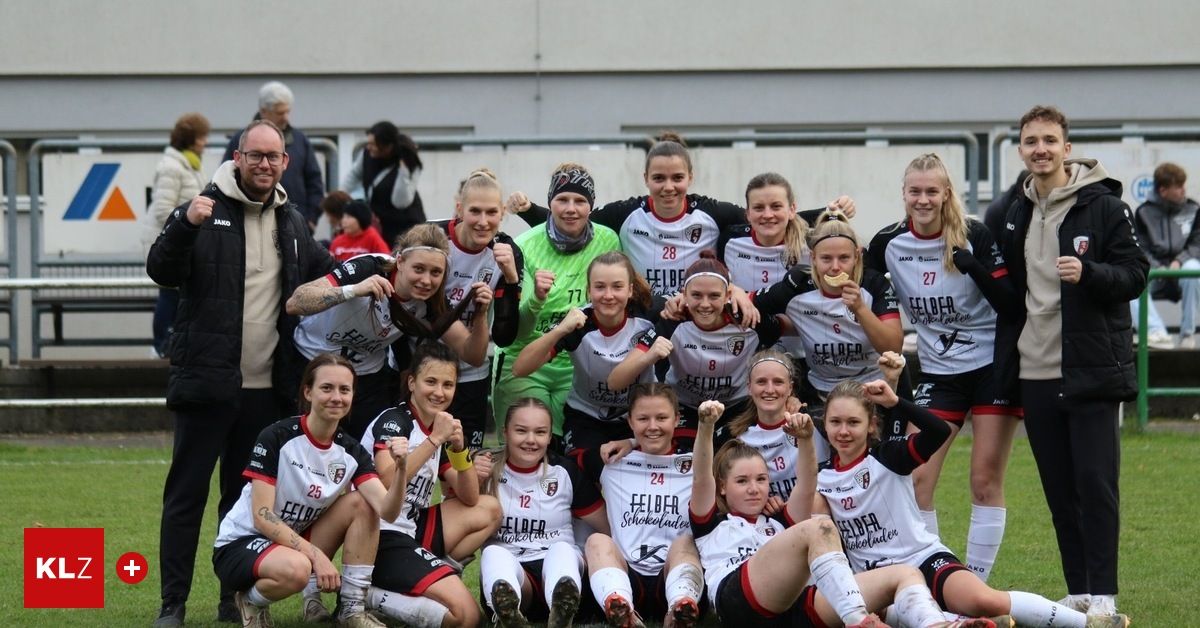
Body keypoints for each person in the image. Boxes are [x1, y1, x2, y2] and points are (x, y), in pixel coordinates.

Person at [148, 119, 336, 627]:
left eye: (273, 157)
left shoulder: (292, 221)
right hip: (206, 386)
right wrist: (184, 223)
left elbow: (329, 268)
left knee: (243, 506)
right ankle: (173, 605)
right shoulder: (205, 208)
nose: (264, 164)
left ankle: (232, 601)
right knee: (186, 498)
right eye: (255, 155)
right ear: (237, 156)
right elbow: (160, 269)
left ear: (285, 163)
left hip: (264, 394)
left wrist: (382, 268)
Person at [812, 379, 1130, 628]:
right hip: (876, 580)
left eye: (853, 422)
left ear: (870, 425)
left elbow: (936, 430)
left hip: (921, 557)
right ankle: (970, 624)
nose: (843, 431)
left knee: (982, 599)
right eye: (835, 422)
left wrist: (897, 402)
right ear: (824, 425)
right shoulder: (822, 478)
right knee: (895, 616)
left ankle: (1088, 623)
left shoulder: (888, 458)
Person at [992, 105, 1146, 618]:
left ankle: (1104, 595)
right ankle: (1078, 591)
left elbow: (1135, 274)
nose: (1041, 149)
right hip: (1034, 370)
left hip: (1091, 368)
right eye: (1031, 140)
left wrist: (1089, 272)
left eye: (1050, 140)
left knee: (1096, 486)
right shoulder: (1012, 209)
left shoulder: (1102, 206)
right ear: (1020, 148)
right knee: (1059, 490)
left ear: (1067, 147)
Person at [691, 399, 992, 628]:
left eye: (760, 480)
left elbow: (808, 482)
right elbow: (701, 476)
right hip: (739, 602)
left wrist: (807, 438)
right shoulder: (710, 523)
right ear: (721, 488)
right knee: (818, 527)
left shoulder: (779, 520)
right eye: (742, 482)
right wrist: (705, 428)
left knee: (906, 574)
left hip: (796, 609)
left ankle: (939, 625)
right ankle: (859, 620)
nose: (754, 489)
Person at [865, 153, 1020, 583]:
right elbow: (855, 278)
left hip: (992, 369)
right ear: (904, 195)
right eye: (915, 191)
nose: (923, 199)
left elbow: (1010, 305)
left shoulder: (974, 234)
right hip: (938, 373)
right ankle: (938, 578)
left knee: (984, 480)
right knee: (917, 482)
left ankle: (975, 584)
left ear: (947, 193)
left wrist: (973, 268)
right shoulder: (887, 242)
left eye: (932, 191)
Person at [510, 133, 854, 297]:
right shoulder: (627, 213)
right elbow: (573, 219)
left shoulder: (711, 213)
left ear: (690, 178)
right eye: (658, 178)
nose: (668, 186)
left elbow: (766, 218)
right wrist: (529, 211)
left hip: (698, 317)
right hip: (647, 319)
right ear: (646, 179)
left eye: (677, 178)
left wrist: (829, 212)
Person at [211, 353, 407, 628]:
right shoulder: (276, 437)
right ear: (308, 392)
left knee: (362, 503)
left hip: (293, 544)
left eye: (344, 389)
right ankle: (251, 600)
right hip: (240, 545)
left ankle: (351, 609)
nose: (336, 397)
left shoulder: (351, 451)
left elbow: (386, 509)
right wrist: (315, 556)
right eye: (326, 388)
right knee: (298, 569)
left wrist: (401, 469)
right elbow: (262, 515)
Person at [287, 224, 494, 440]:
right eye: (419, 269)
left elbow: (473, 355)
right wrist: (352, 290)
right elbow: (295, 302)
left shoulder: (431, 302)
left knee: (366, 454)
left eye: (436, 273)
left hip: (366, 379)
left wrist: (481, 316)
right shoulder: (370, 267)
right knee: (307, 445)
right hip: (311, 362)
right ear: (401, 261)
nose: (426, 280)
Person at [360, 342, 503, 628]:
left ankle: (440, 569)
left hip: (412, 528)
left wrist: (460, 451)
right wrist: (435, 440)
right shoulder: (394, 421)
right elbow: (386, 483)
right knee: (466, 617)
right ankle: (367, 595)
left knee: (489, 509)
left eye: (448, 384)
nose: (439, 392)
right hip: (380, 536)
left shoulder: (436, 426)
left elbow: (470, 497)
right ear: (412, 382)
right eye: (431, 382)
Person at [752, 210, 904, 453]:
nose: (835, 267)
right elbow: (752, 308)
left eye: (844, 258)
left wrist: (860, 310)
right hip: (821, 394)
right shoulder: (799, 288)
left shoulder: (873, 284)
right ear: (812, 258)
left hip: (872, 392)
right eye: (826, 259)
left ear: (857, 256)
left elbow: (893, 345)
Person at [492, 163, 621, 441]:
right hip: (524, 360)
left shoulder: (608, 240)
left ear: (591, 205)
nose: (570, 208)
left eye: (580, 201)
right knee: (525, 448)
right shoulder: (525, 245)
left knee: (567, 455)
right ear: (550, 203)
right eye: (562, 200)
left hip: (576, 365)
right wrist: (538, 298)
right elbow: (518, 330)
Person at [610, 251, 781, 449]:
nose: (705, 304)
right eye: (696, 295)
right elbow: (615, 381)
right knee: (688, 458)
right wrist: (648, 357)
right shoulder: (673, 321)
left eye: (714, 296)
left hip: (737, 409)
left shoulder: (746, 319)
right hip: (687, 410)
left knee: (735, 459)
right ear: (683, 294)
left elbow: (791, 329)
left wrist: (742, 294)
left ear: (727, 295)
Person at [580, 383, 705, 628]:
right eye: (643, 418)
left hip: (672, 571)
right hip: (626, 575)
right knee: (597, 542)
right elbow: (563, 467)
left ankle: (681, 607)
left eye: (661, 418)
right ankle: (620, 607)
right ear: (630, 422)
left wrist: (632, 441)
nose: (652, 426)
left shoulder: (697, 463)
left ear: (677, 419)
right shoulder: (610, 459)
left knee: (686, 541)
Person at [479, 398, 612, 628]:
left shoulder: (564, 472)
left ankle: (562, 607)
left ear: (550, 437)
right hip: (516, 575)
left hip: (560, 566)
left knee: (561, 550)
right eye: (521, 431)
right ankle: (507, 609)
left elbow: (608, 526)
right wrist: (469, 478)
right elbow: (458, 518)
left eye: (540, 432)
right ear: (506, 432)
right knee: (493, 552)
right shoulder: (485, 470)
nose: (531, 440)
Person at [512, 251, 658, 453]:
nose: (608, 295)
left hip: (639, 418)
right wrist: (561, 329)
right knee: (589, 467)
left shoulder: (650, 317)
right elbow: (519, 368)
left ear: (631, 290)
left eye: (617, 287)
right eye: (599, 287)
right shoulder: (578, 322)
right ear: (589, 291)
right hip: (586, 417)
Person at [435, 169, 525, 449]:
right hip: (420, 363)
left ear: (502, 213)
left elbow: (505, 335)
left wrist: (511, 280)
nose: (483, 222)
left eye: (491, 213)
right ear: (459, 209)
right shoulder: (432, 236)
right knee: (416, 457)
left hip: (470, 373)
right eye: (475, 211)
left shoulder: (506, 250)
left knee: (465, 460)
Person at [143, 112, 211, 358]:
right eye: (202, 137)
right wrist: (187, 225)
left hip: (183, 240)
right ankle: (161, 345)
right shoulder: (173, 167)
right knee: (169, 293)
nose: (205, 142)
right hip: (171, 242)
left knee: (175, 294)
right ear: (190, 139)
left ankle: (170, 345)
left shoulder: (188, 164)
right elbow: (163, 210)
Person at [223, 81, 325, 228]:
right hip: (248, 222)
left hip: (294, 225)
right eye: (280, 113)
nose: (285, 117)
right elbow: (227, 179)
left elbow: (314, 182)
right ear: (264, 111)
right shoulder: (241, 140)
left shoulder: (300, 140)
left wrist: (310, 219)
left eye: (287, 112)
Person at [1131, 162, 1200, 349]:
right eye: (1178, 187)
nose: (1183, 191)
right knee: (1132, 280)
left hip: (1182, 270)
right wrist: (1156, 266)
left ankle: (1187, 336)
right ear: (1163, 191)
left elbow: (1197, 244)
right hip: (1157, 272)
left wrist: (1179, 261)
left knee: (1194, 269)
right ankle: (1156, 332)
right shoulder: (1144, 212)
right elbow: (1141, 247)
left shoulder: (1193, 209)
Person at [341, 121, 425, 246]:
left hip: (405, 225)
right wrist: (341, 194)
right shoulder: (367, 155)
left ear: (388, 146)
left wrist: (403, 170)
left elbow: (401, 201)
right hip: (379, 225)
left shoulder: (410, 161)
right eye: (368, 143)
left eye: (373, 144)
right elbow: (353, 175)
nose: (369, 147)